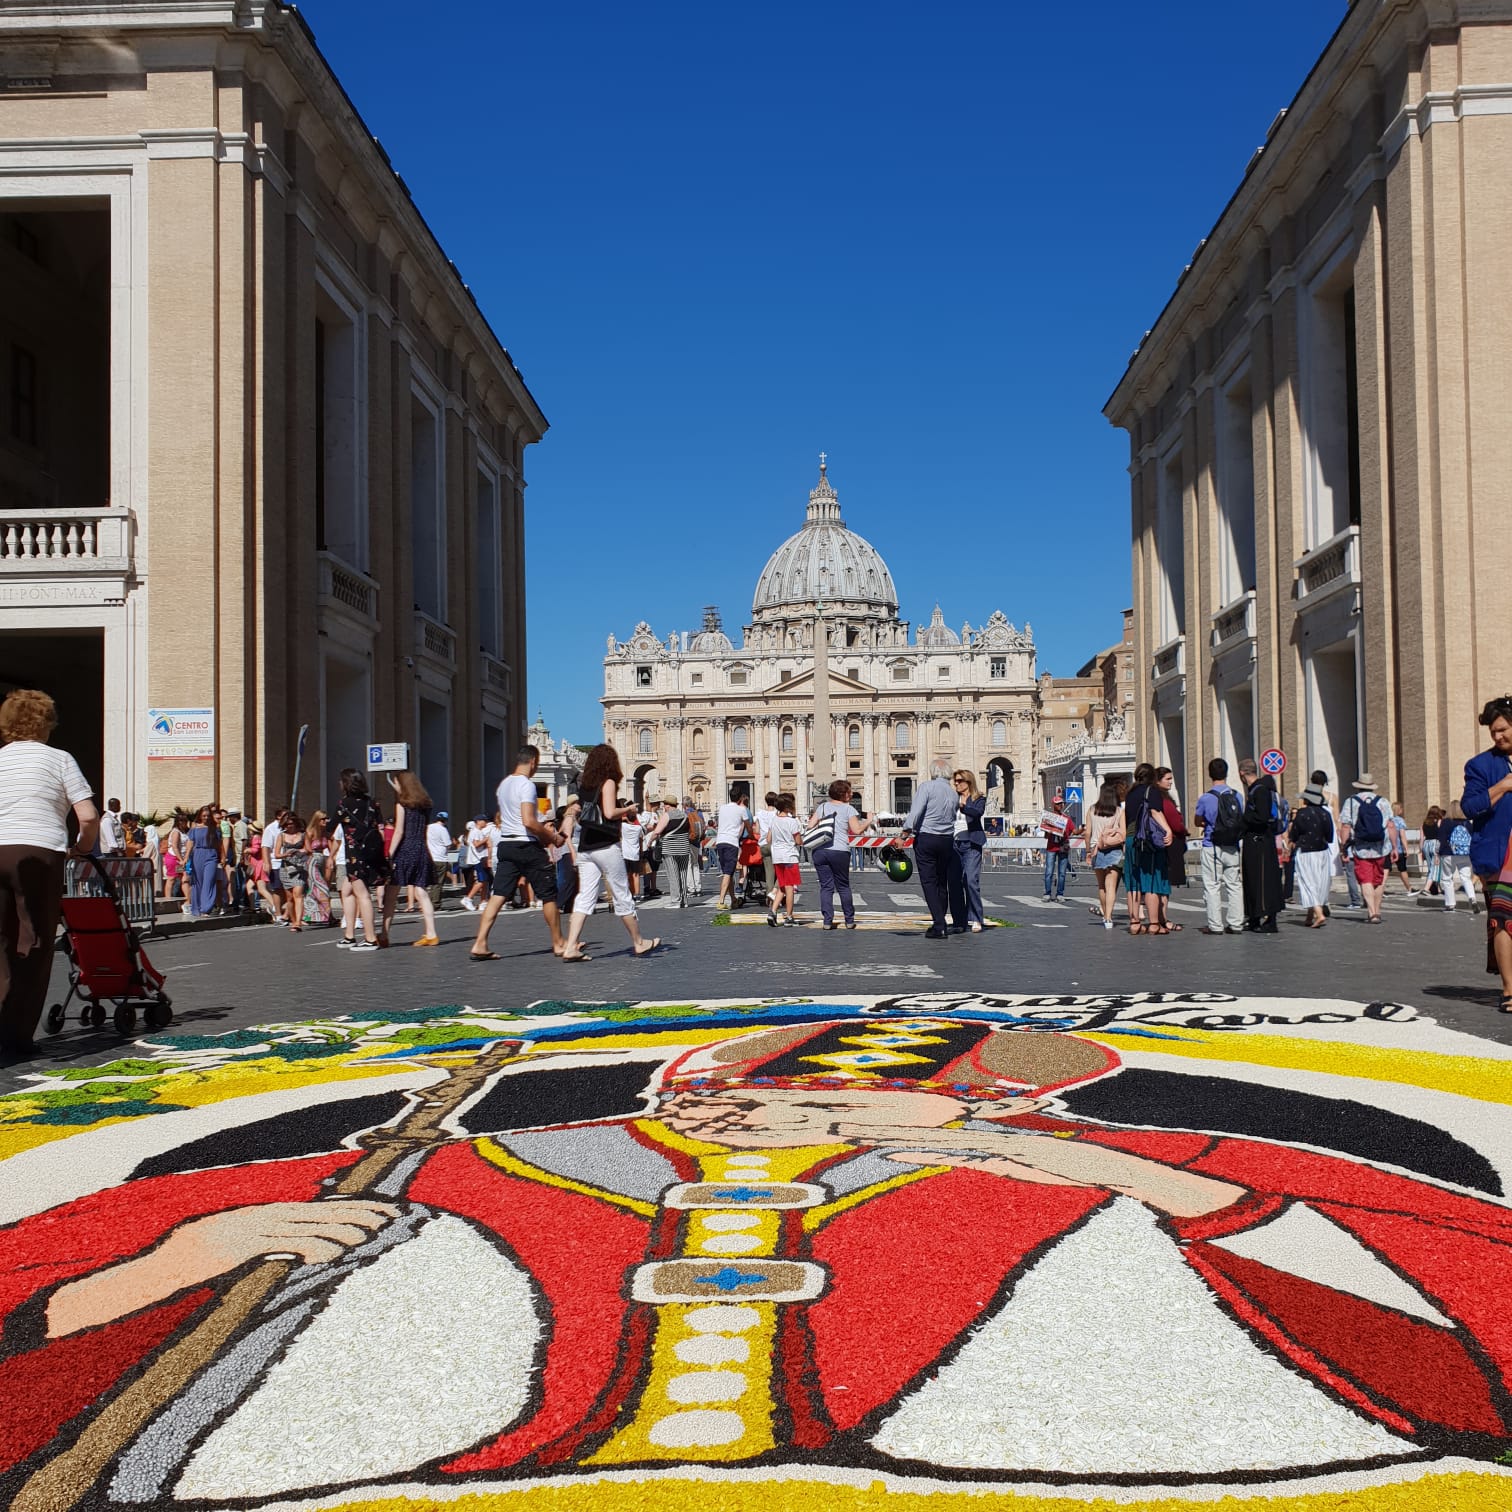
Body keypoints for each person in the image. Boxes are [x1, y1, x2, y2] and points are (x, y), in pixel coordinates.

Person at [0, 689, 99, 1052]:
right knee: (35, 942)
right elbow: (87, 815)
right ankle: (15, 1037)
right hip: (40, 851)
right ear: (46, 723)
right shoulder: (59, 760)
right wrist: (82, 848)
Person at [560, 744, 658, 962]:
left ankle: (570, 946)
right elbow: (609, 812)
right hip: (606, 845)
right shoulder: (609, 782)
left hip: (586, 847)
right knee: (622, 894)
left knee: (585, 897)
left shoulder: (584, 783)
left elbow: (579, 809)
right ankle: (638, 942)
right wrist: (629, 810)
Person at [1462, 694, 1512, 1012]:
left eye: (1503, 729)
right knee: (1504, 921)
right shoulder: (1481, 766)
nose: (1498, 737)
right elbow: (1470, 807)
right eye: (1494, 732)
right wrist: (1503, 786)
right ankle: (1510, 989)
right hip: (1500, 854)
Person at [327, 769, 390, 952]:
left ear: (346, 783)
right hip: (371, 853)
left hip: (354, 855)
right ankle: (349, 935)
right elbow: (380, 829)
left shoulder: (343, 804)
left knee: (362, 894)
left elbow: (330, 827)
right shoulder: (372, 803)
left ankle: (370, 939)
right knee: (347, 891)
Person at [905, 760, 966, 938]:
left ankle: (939, 925)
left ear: (933, 772)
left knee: (929, 882)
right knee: (941, 882)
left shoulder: (926, 787)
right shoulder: (954, 793)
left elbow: (916, 812)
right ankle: (939, 922)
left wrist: (905, 833)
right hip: (947, 840)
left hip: (927, 838)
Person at [809, 778, 874, 929]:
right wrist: (868, 821)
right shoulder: (849, 809)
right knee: (843, 886)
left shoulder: (822, 807)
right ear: (843, 794)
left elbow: (810, 825)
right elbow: (857, 830)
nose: (851, 795)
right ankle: (849, 920)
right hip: (839, 850)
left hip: (820, 850)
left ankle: (827, 921)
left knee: (826, 887)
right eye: (849, 792)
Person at [387, 771, 440, 946]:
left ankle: (383, 933)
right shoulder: (425, 805)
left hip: (405, 849)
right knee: (421, 891)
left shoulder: (402, 804)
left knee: (392, 892)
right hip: (421, 848)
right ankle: (431, 933)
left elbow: (399, 831)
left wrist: (390, 853)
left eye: (396, 783)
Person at [1193, 757, 1244, 936]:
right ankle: (1236, 923)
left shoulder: (1206, 798)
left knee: (1212, 885)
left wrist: (1207, 823)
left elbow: (1197, 820)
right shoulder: (1237, 796)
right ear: (1227, 773)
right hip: (1232, 845)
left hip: (1212, 845)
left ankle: (1215, 925)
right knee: (1234, 885)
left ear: (1210, 774)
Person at [1339, 774, 1396, 925]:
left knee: (1365, 880)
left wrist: (1343, 848)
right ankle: (1377, 910)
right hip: (1381, 847)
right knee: (1378, 880)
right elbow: (1390, 825)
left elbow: (1345, 826)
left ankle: (1371, 912)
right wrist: (1395, 847)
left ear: (1358, 786)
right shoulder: (1383, 801)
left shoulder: (1351, 802)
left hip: (1361, 847)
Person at [1123, 764, 1173, 934]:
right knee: (1151, 881)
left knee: (1133, 881)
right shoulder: (1152, 792)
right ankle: (1153, 924)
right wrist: (1168, 830)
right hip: (1146, 839)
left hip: (1130, 839)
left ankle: (1135, 922)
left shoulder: (1130, 794)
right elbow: (1155, 812)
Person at [1238, 757, 1284, 933]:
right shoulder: (1255, 789)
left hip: (1261, 842)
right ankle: (1254, 916)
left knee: (1264, 881)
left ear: (1242, 773)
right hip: (1254, 841)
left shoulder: (1260, 790)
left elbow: (1262, 817)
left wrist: (1245, 818)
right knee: (1252, 880)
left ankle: (1270, 920)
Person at [1287, 785, 1335, 928]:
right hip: (1323, 850)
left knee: (1307, 882)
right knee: (1320, 883)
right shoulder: (1325, 813)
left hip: (1306, 851)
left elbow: (1294, 834)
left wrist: (1292, 842)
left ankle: (1319, 914)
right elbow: (1330, 836)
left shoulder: (1302, 814)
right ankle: (1310, 916)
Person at [1085, 780, 1126, 931]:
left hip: (1097, 850)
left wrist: (1088, 850)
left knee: (1102, 886)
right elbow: (1123, 833)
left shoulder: (1091, 810)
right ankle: (1108, 918)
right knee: (1111, 886)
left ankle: (1105, 915)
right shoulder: (1119, 811)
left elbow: (1087, 833)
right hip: (1114, 850)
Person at [952, 770, 987, 932]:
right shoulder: (953, 798)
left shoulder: (978, 798)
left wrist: (963, 807)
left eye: (959, 781)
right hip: (954, 844)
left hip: (972, 844)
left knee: (971, 880)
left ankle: (976, 918)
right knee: (956, 883)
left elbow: (977, 813)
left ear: (968, 782)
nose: (956, 784)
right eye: (955, 781)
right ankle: (960, 920)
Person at [765, 793, 803, 926]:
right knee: (789, 888)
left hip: (777, 857)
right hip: (789, 856)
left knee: (782, 886)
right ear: (788, 806)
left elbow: (768, 839)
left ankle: (773, 911)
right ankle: (789, 917)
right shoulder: (792, 822)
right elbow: (798, 841)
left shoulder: (773, 820)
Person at [1154, 767, 1189, 907]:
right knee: (1165, 881)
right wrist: (1183, 830)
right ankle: (1161, 917)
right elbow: (1174, 820)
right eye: (1167, 779)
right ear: (1158, 781)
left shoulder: (1160, 797)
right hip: (1170, 841)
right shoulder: (1163, 800)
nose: (1170, 782)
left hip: (1166, 840)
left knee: (1163, 881)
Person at [714, 785, 752, 910]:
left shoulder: (722, 808)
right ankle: (720, 901)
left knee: (728, 872)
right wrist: (752, 835)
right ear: (741, 797)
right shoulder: (741, 810)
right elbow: (748, 826)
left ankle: (734, 899)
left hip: (720, 841)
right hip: (731, 843)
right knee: (727, 872)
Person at [184, 805, 221, 921]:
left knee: (209, 882)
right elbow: (190, 843)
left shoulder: (215, 828)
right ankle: (197, 908)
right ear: (200, 816)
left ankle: (206, 908)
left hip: (211, 855)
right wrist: (186, 858)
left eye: (208, 816)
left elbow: (218, 845)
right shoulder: (194, 828)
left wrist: (222, 857)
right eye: (204, 816)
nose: (206, 818)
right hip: (198, 854)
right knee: (198, 882)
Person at [1439, 802, 1477, 912]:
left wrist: (1440, 852)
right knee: (1466, 878)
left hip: (1448, 853)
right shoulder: (1467, 823)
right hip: (1465, 853)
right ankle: (1472, 897)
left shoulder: (1446, 822)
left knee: (1447, 878)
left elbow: (1441, 838)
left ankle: (1450, 904)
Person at [657, 795, 693, 907]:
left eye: (664, 805)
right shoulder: (684, 815)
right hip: (684, 847)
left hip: (670, 848)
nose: (664, 807)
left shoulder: (667, 815)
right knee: (683, 874)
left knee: (673, 875)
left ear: (667, 805)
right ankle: (684, 901)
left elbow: (657, 831)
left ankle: (676, 900)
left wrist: (650, 841)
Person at [1040, 796, 1077, 903]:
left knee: (1062, 873)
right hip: (1051, 847)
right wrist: (1050, 830)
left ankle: (1060, 894)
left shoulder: (1067, 819)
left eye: (1062, 803)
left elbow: (1074, 831)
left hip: (1063, 846)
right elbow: (1046, 836)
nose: (1061, 805)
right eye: (1058, 804)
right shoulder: (1049, 818)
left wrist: (1083, 830)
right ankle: (1047, 893)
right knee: (1049, 872)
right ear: (1053, 805)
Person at [276, 811, 309, 930]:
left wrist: (301, 851)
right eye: (286, 824)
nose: (289, 826)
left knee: (298, 894)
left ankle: (298, 922)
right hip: (286, 868)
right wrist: (286, 854)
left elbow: (309, 849)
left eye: (291, 824)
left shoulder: (303, 834)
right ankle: (294, 920)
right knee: (290, 897)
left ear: (295, 823)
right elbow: (276, 854)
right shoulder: (281, 836)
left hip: (300, 868)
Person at [551, 796, 581, 918]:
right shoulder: (569, 819)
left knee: (573, 879)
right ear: (572, 805)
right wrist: (573, 853)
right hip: (568, 850)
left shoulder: (575, 819)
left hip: (573, 850)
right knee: (568, 879)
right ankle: (557, 904)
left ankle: (570, 904)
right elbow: (567, 837)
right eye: (578, 803)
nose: (580, 806)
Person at [425, 809, 451, 912]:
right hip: (440, 858)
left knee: (430, 882)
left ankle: (428, 901)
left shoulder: (429, 827)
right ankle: (435, 904)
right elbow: (448, 844)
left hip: (430, 857)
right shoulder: (443, 829)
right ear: (445, 820)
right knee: (438, 883)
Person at [1388, 802, 1416, 897]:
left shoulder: (1387, 820)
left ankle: (1380, 888)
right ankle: (1409, 888)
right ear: (1398, 810)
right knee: (1402, 869)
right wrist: (1406, 848)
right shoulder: (1400, 821)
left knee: (1385, 869)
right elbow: (1402, 836)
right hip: (1398, 849)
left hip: (1388, 849)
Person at [1421, 805, 1443, 897]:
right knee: (1436, 868)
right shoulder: (1439, 822)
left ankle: (1437, 888)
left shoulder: (1423, 823)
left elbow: (1421, 838)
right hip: (1435, 844)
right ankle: (1426, 888)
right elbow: (1442, 835)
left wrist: (1421, 851)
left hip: (1426, 844)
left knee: (1431, 867)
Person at [684, 798, 705, 896]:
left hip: (688, 841)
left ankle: (691, 888)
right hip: (697, 841)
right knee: (695, 864)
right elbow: (703, 827)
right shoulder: (699, 814)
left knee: (688, 865)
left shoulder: (685, 814)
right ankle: (698, 887)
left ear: (684, 805)